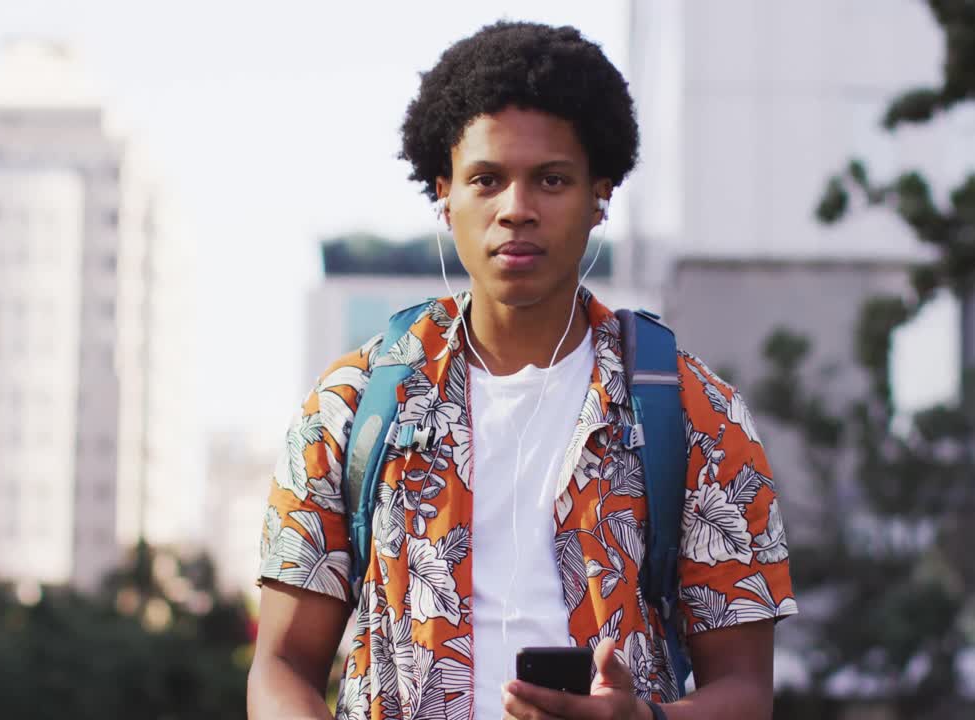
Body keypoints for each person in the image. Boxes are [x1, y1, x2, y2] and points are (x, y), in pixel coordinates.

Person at [247, 21, 796, 720]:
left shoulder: (695, 414)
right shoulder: (353, 406)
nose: (516, 209)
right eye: (486, 179)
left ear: (599, 196)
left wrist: (644, 719)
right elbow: (283, 667)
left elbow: (746, 691)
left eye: (551, 180)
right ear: (444, 194)